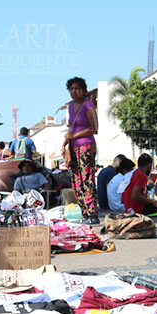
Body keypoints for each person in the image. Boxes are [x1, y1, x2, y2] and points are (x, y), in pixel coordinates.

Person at [61, 76, 99, 224]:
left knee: (87, 178)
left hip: (86, 145)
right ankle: (84, 212)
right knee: (76, 180)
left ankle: (92, 213)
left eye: (77, 89)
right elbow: (71, 128)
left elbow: (94, 128)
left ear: (83, 90)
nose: (74, 91)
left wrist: (74, 136)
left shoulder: (88, 105)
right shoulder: (71, 106)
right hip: (73, 146)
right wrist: (64, 144)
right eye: (71, 89)